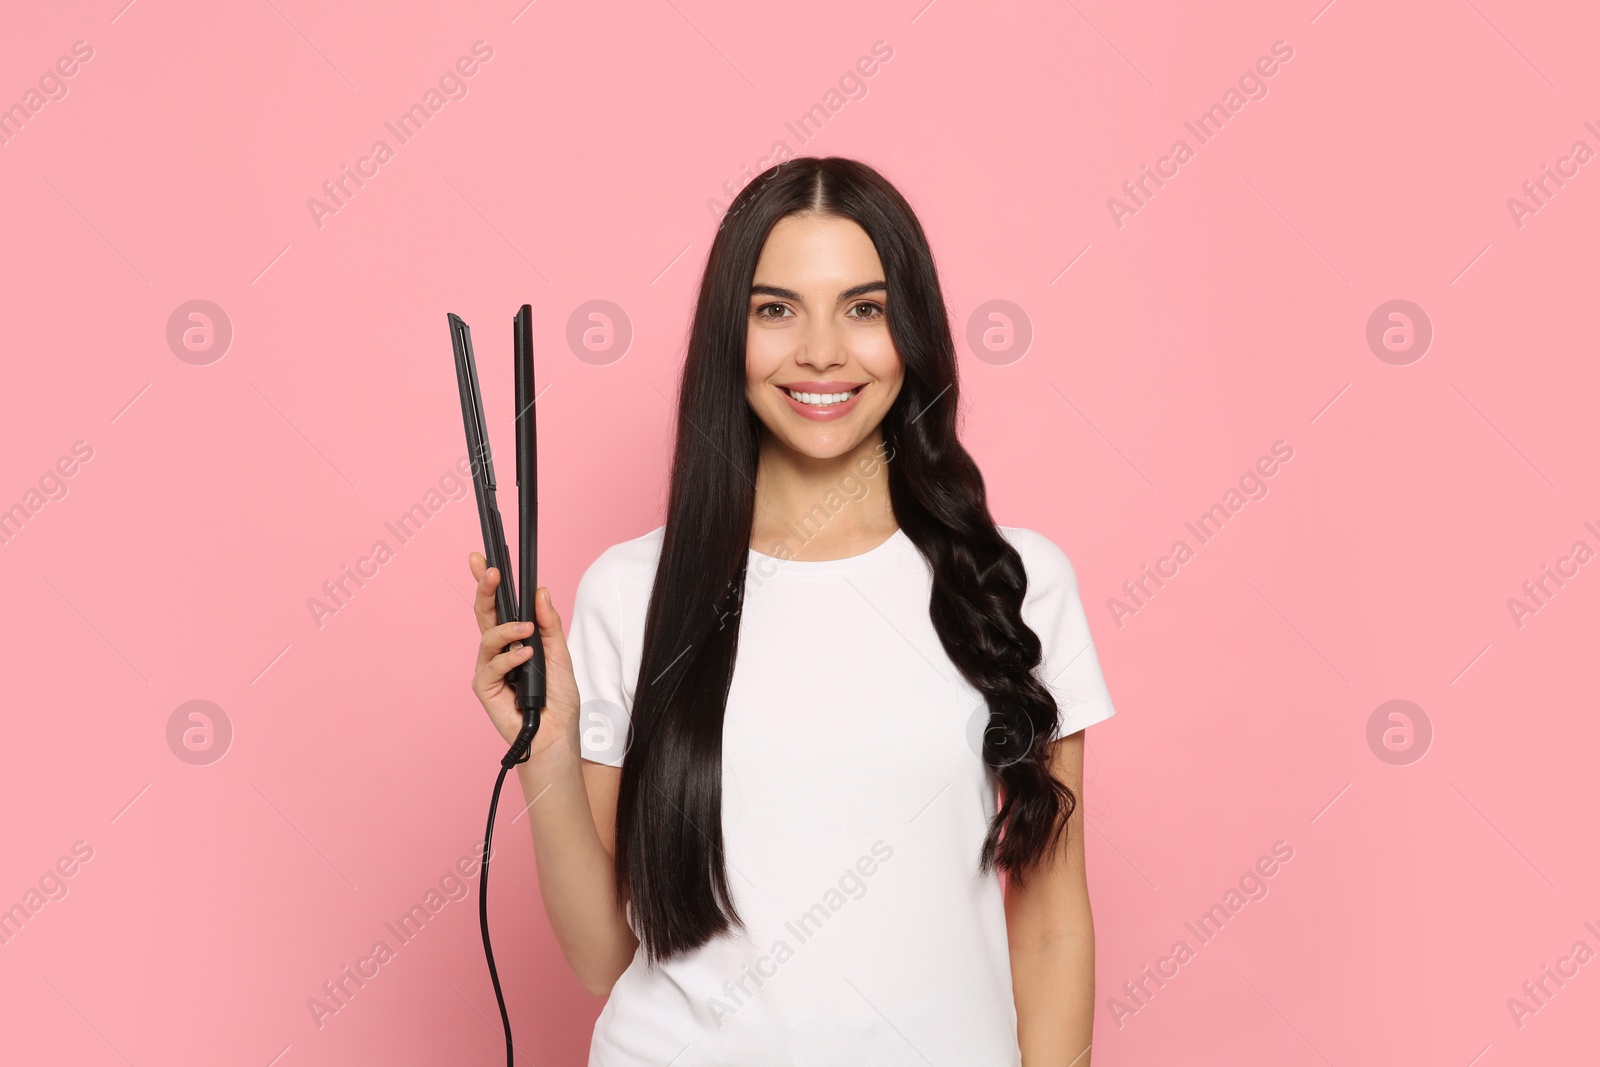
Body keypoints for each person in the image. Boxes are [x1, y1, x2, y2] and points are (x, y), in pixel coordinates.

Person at [465, 156, 1116, 1066]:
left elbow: (1051, 931)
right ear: (732, 336)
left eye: (864, 308)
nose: (820, 351)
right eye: (777, 310)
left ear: (913, 334)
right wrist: (545, 746)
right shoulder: (632, 590)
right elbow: (597, 954)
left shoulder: (1016, 583)